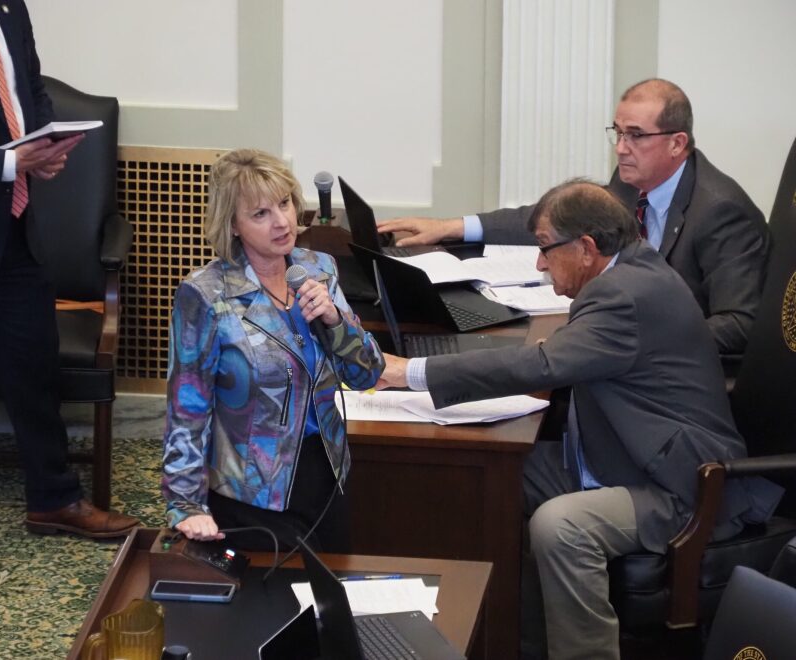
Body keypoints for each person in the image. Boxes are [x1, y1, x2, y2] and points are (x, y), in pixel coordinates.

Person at [378, 180, 781, 660]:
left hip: (679, 484)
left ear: (586, 248)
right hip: (617, 455)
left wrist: (410, 371)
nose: (540, 263)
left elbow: (546, 366)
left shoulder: (624, 295)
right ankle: (506, 644)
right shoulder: (626, 273)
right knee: (483, 482)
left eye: (546, 249)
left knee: (561, 526)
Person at [0, 0, 139, 567]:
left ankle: (54, 498)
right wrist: (12, 164)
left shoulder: (10, 10)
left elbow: (28, 93)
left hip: (12, 229)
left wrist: (51, 143)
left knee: (34, 366)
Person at [378, 78, 768, 356]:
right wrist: (454, 226)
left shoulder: (720, 212)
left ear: (677, 142)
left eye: (635, 136)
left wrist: (633, 335)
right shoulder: (631, 181)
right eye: (617, 133)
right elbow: (557, 220)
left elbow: (740, 325)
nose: (621, 149)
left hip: (671, 376)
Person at [162, 149, 384, 553]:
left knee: (334, 600)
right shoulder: (206, 295)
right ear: (232, 225)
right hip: (253, 491)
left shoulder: (319, 269)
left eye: (283, 203)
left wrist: (336, 321)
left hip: (327, 471)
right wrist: (186, 503)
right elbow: (187, 407)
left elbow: (366, 374)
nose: (282, 222)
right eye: (260, 214)